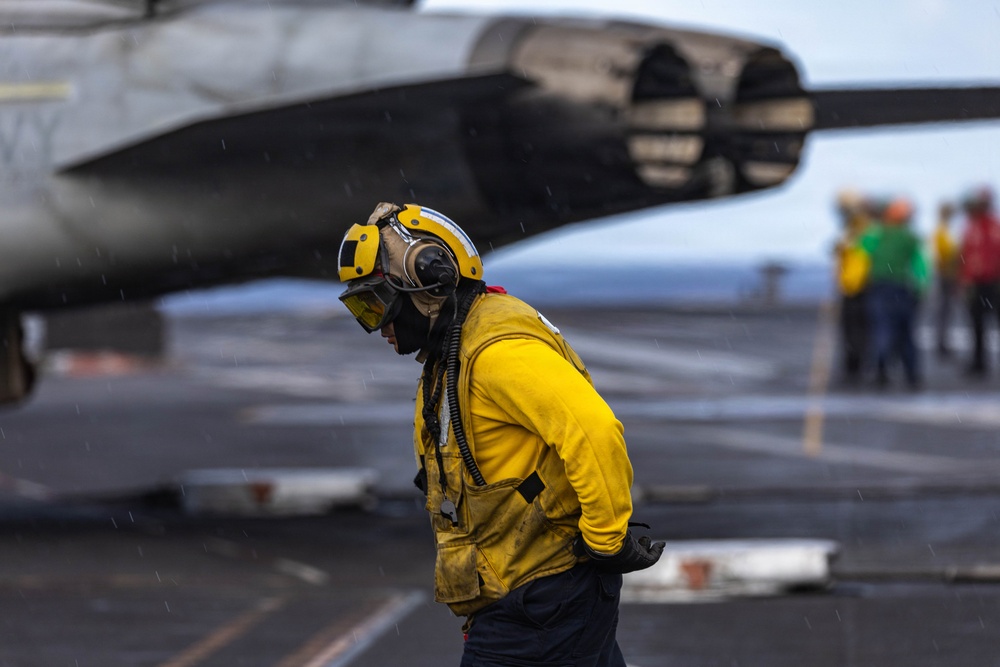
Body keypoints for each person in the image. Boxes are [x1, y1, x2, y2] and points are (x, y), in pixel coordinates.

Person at [337, 202, 663, 667]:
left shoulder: (496, 351)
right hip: (530, 596)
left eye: (376, 305)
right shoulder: (455, 345)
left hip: (540, 601)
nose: (377, 326)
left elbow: (595, 431)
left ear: (429, 281)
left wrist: (605, 540)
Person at [860, 197, 928, 389]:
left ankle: (881, 371)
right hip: (902, 288)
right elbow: (921, 266)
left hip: (880, 287)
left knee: (882, 329)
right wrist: (921, 289)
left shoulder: (876, 235)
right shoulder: (910, 237)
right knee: (906, 333)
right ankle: (912, 376)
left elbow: (860, 255)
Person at [958, 187, 1000, 377]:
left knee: (985, 323)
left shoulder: (992, 227)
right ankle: (979, 361)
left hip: (993, 282)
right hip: (978, 283)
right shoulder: (973, 227)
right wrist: (965, 280)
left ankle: (979, 362)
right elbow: (966, 256)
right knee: (977, 325)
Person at [832, 189, 873, 384]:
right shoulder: (851, 232)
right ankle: (853, 365)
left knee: (858, 329)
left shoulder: (863, 231)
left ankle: (857, 365)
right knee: (852, 329)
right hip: (850, 286)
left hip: (861, 287)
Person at [932, 201, 960, 358]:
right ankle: (942, 343)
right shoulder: (943, 232)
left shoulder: (944, 231)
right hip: (946, 276)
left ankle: (943, 341)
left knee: (945, 311)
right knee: (944, 311)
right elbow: (945, 255)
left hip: (946, 276)